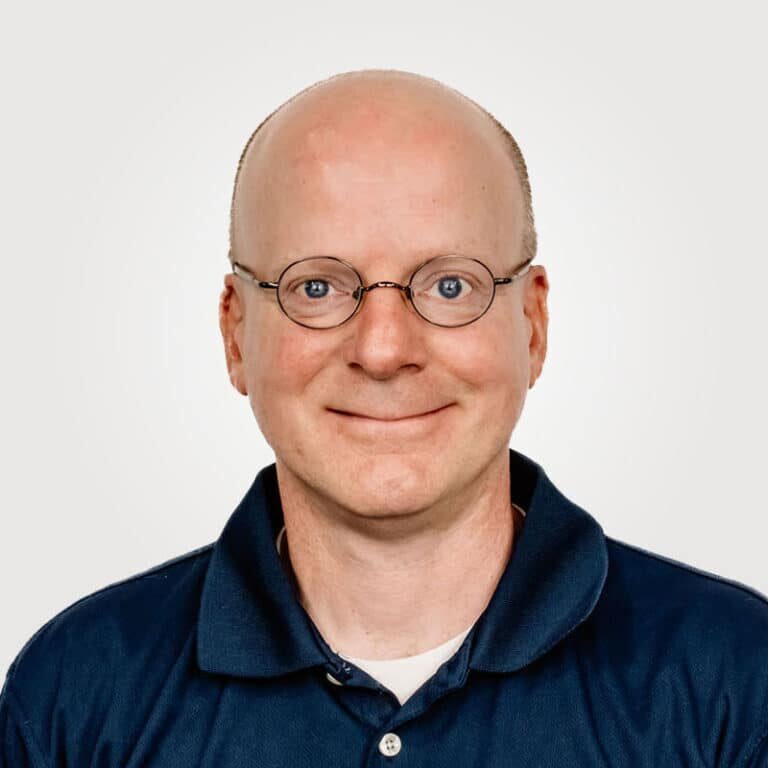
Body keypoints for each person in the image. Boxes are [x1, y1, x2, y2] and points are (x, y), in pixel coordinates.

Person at [2, 68, 766, 767]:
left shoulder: (736, 679)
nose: (384, 348)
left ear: (532, 326)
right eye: (316, 288)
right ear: (236, 335)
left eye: (450, 287)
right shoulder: (78, 693)